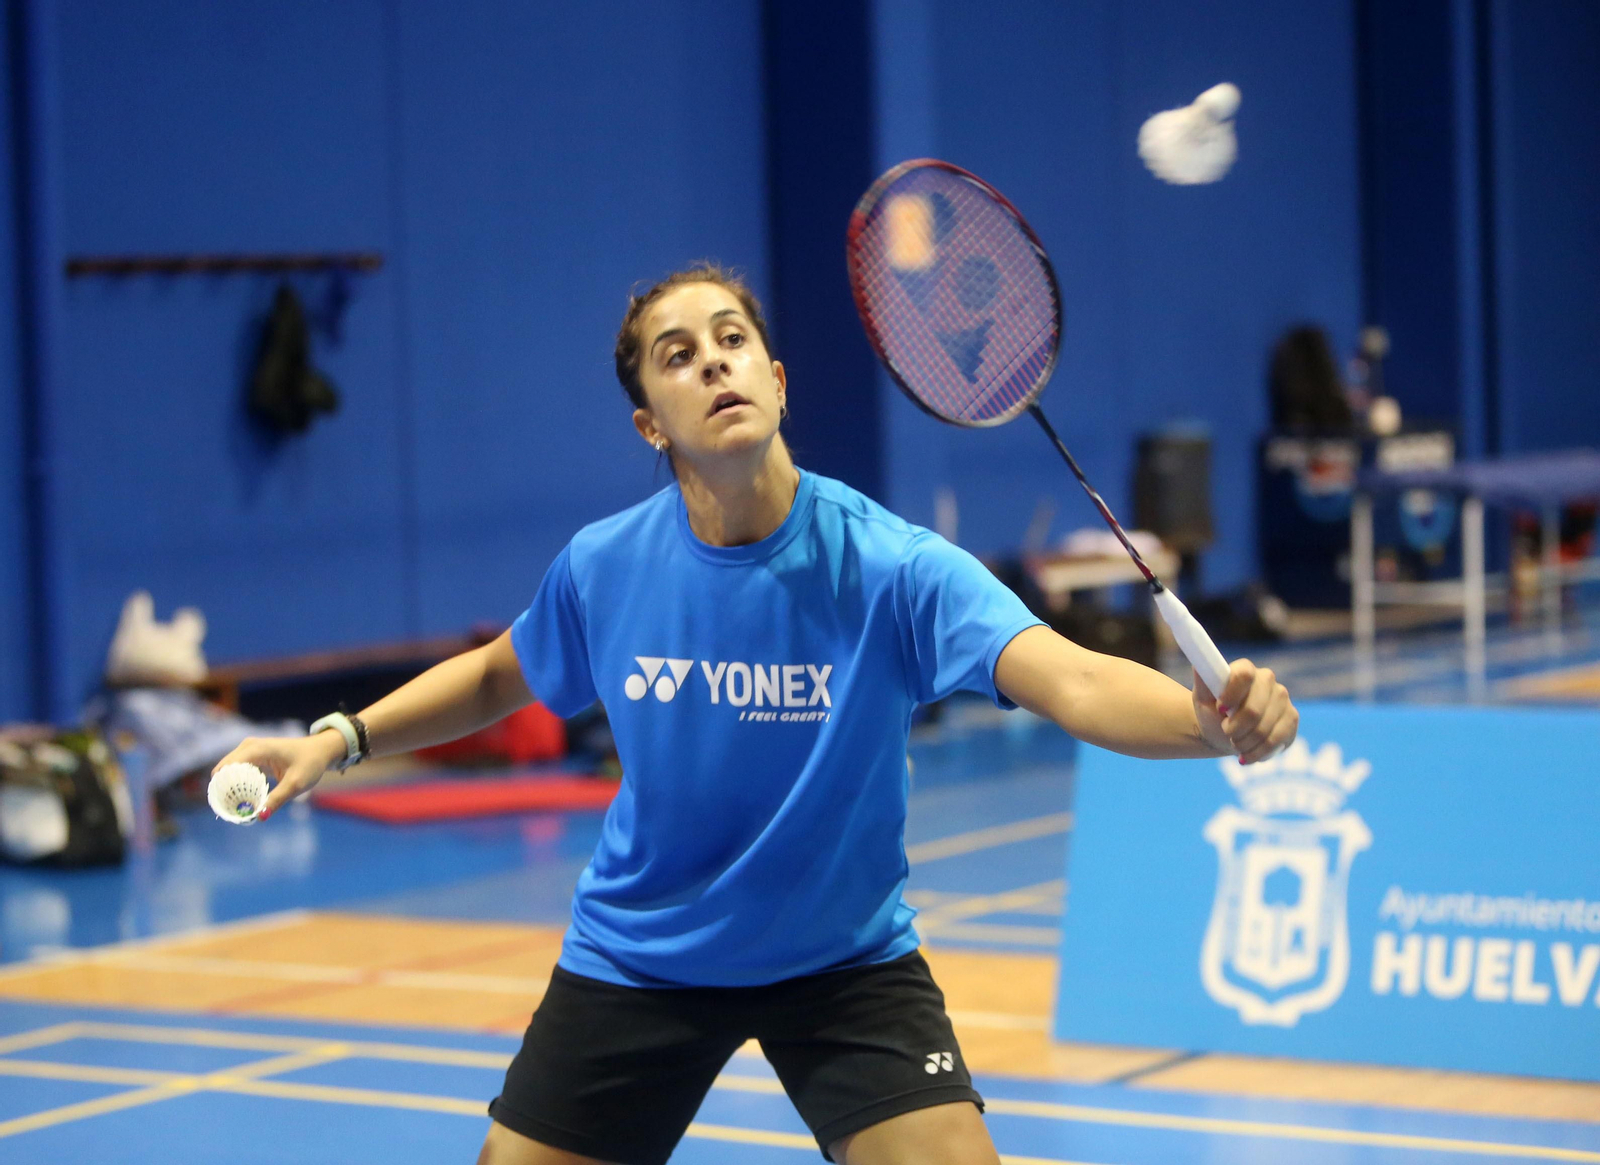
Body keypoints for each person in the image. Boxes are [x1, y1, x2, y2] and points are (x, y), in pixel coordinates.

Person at [215, 264, 1297, 1165]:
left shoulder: (889, 565)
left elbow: (1070, 677)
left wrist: (1207, 721)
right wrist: (338, 738)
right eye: (677, 355)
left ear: (776, 380)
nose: (713, 362)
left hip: (842, 958)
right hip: (644, 952)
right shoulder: (606, 566)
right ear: (650, 421)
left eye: (731, 339)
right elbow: (505, 673)